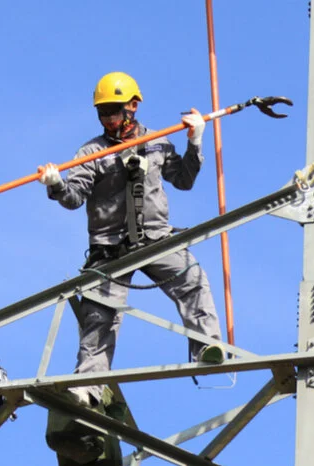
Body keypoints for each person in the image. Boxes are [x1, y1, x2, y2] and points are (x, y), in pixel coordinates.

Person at [35, 71, 225, 409]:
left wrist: (195, 141)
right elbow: (74, 198)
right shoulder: (91, 152)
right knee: (98, 317)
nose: (108, 117)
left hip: (156, 239)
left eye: (114, 109)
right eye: (102, 112)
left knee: (193, 282)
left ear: (133, 106)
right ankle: (87, 385)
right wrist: (56, 184)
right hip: (110, 247)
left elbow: (183, 180)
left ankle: (206, 348)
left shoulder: (158, 142)